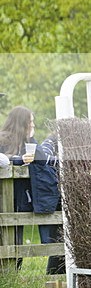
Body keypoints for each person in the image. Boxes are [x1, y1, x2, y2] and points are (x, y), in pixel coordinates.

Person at [0, 106, 36, 268]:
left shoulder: (27, 142)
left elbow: (39, 157)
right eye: (30, 122)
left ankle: (13, 274)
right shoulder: (3, 140)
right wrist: (18, 159)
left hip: (20, 197)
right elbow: (4, 160)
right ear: (22, 122)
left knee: (17, 239)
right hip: (4, 196)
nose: (32, 125)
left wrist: (33, 140)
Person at [28, 131, 65, 274]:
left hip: (58, 197)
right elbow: (44, 156)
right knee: (57, 238)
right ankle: (54, 273)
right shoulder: (49, 144)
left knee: (59, 238)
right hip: (53, 197)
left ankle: (56, 273)